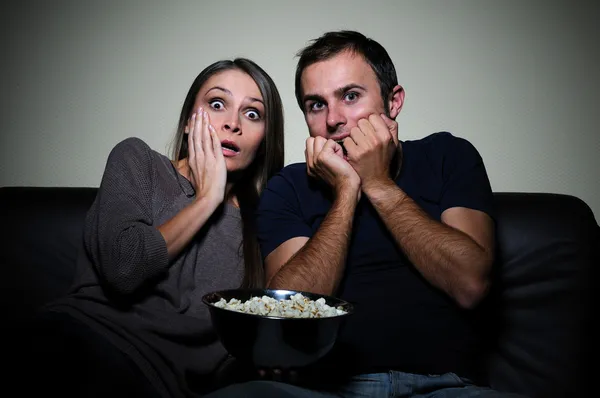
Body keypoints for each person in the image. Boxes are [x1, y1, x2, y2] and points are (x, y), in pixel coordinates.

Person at [206, 31, 524, 397]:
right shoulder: (289, 185)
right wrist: (346, 192)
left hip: (448, 386)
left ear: (394, 100)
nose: (335, 120)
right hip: (327, 391)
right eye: (316, 105)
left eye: (351, 96)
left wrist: (377, 182)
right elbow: (289, 315)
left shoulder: (448, 156)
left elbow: (471, 284)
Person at [11, 58, 285, 398]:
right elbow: (124, 268)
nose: (232, 124)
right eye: (217, 104)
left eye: (252, 113)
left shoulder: (264, 227)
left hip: (158, 384)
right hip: (75, 344)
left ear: (264, 138)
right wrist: (206, 199)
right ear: (188, 122)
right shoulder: (138, 161)